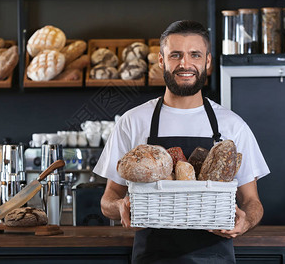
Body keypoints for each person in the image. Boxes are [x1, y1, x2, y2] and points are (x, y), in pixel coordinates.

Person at [93, 20, 270, 263]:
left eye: (194, 55)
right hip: (152, 258)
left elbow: (252, 202)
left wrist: (246, 220)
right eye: (176, 55)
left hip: (215, 258)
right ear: (162, 60)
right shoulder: (132, 121)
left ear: (207, 61)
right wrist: (120, 207)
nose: (185, 64)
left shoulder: (232, 125)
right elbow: (108, 199)